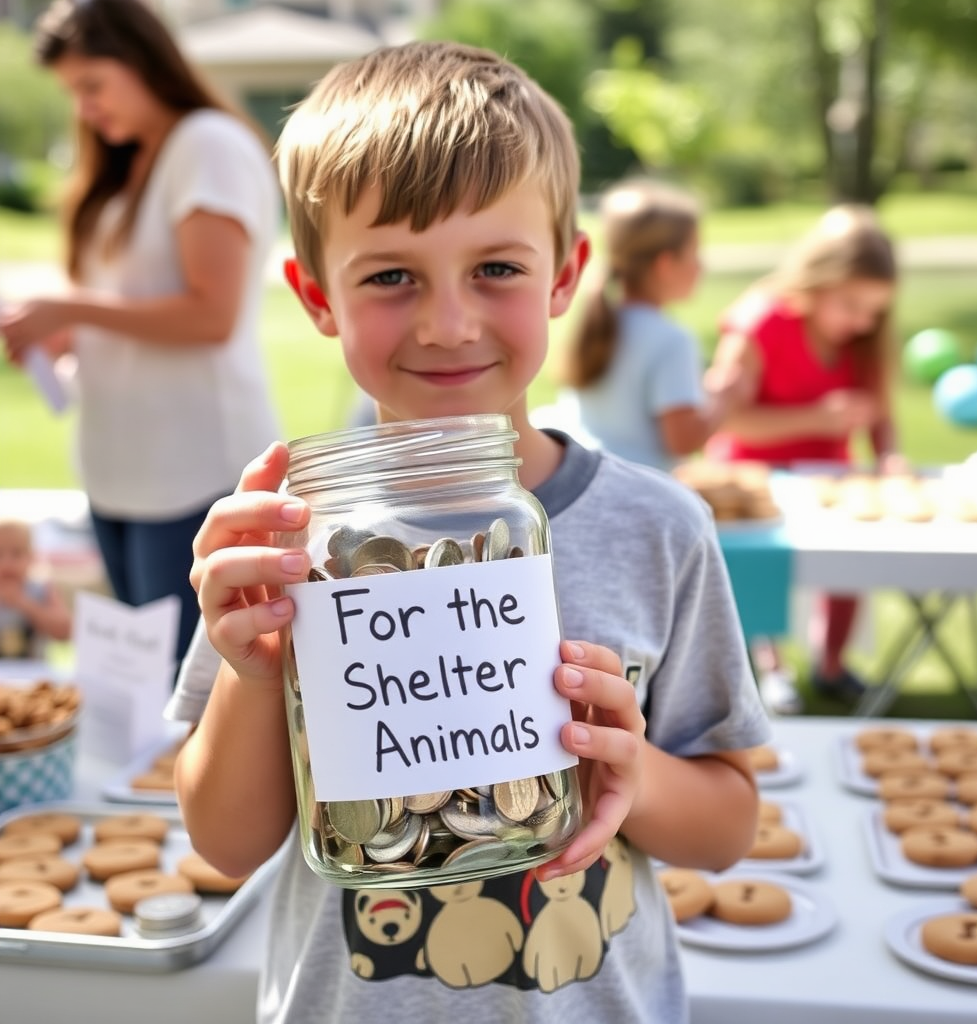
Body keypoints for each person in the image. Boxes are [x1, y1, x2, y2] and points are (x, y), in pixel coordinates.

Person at [168, 41, 770, 1023]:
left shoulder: (660, 529)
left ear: (564, 275)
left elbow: (726, 824)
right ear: (318, 295)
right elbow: (228, 847)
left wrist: (632, 770)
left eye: (495, 267)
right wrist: (257, 666)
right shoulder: (289, 535)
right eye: (391, 277)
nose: (448, 323)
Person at [0, 0, 282, 668]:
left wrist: (70, 311)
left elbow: (211, 314)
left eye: (92, 85)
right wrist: (66, 337)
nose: (86, 108)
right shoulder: (130, 162)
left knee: (187, 694)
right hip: (122, 474)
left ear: (141, 59)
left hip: (189, 475)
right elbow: (136, 308)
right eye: (74, 93)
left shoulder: (206, 145)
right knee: (142, 690)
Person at [705, 204, 901, 715]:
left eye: (873, 311)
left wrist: (890, 456)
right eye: (851, 305)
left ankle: (831, 663)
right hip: (752, 476)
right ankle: (772, 667)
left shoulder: (867, 338)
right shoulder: (761, 323)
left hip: (828, 473)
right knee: (764, 571)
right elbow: (729, 419)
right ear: (817, 281)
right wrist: (817, 419)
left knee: (848, 566)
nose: (862, 321)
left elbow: (882, 410)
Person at [554, 178, 748, 472]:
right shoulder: (672, 340)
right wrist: (725, 396)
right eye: (694, 253)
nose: (701, 266)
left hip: (590, 479)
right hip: (642, 492)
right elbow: (682, 441)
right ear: (665, 264)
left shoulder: (597, 321)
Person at [0, 518, 72, 659]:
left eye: (17, 553)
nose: (7, 563)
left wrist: (23, 603)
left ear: (31, 557)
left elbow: (65, 632)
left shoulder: (43, 590)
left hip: (34, 677)